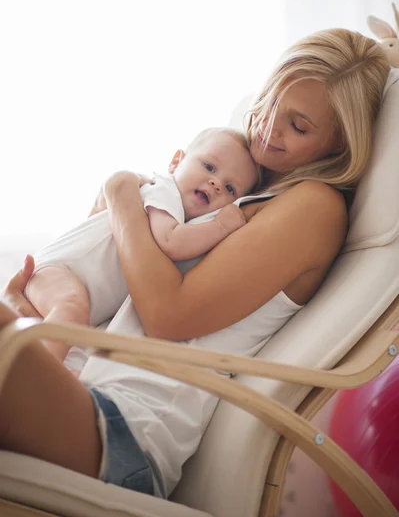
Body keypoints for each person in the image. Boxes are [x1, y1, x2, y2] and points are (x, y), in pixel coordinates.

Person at [0, 29, 390, 499]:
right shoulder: (239, 181)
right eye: (268, 102)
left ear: (338, 147)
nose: (267, 126)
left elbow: (167, 314)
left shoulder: (314, 207)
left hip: (122, 429)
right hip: (81, 386)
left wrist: (121, 192)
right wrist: (38, 309)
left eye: (299, 125)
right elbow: (121, 274)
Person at [23, 127, 260, 362]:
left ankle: (42, 370)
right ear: (176, 162)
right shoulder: (164, 192)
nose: (216, 183)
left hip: (75, 286)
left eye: (230, 188)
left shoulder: (181, 216)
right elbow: (172, 241)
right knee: (71, 309)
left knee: (75, 331)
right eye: (209, 167)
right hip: (59, 270)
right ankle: (40, 376)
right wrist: (221, 226)